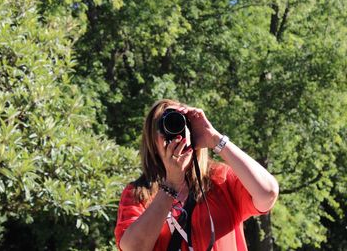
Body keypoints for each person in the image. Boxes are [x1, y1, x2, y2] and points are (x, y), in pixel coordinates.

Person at [115, 99, 279, 251]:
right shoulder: (138, 193)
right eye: (165, 127)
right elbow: (134, 248)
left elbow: (268, 193)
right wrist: (170, 186)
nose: (175, 136)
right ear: (152, 140)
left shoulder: (221, 179)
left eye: (179, 124)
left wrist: (215, 139)